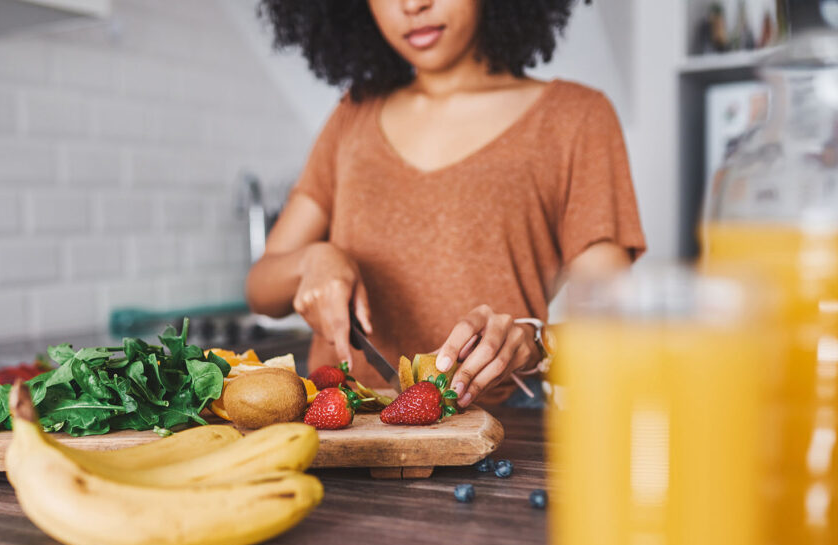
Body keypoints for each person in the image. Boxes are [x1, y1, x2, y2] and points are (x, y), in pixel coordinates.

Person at [247, 0, 645, 412]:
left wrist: (535, 342)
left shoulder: (576, 118)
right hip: (343, 426)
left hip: (497, 430)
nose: (412, 5)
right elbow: (261, 288)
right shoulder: (352, 115)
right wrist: (312, 261)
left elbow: (608, 323)